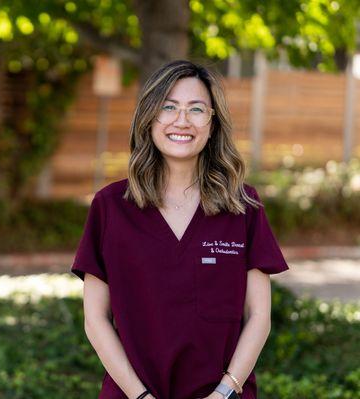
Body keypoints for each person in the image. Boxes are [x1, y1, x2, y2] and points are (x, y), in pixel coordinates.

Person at [70, 60, 289, 399]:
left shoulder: (242, 205)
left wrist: (225, 391)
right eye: (168, 107)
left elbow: (259, 315)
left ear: (213, 122)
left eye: (196, 109)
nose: (181, 121)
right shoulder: (110, 206)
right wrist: (139, 396)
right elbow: (95, 319)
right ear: (149, 118)